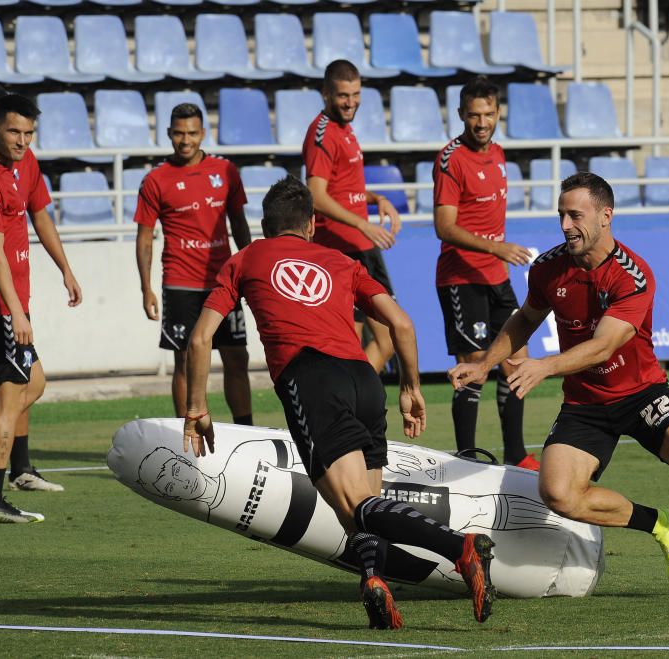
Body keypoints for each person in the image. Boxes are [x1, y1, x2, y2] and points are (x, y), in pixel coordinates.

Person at [449, 172, 669, 600]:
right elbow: (526, 318)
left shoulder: (632, 276)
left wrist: (545, 366)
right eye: (560, 214)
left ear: (605, 215)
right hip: (585, 403)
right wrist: (486, 362)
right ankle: (660, 523)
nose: (564, 225)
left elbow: (604, 346)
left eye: (575, 215)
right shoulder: (547, 268)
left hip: (643, 395)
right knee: (558, 494)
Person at [183, 175, 495, 629]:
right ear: (311, 224)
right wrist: (410, 387)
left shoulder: (246, 259)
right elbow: (403, 326)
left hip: (311, 378)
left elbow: (199, 339)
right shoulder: (341, 261)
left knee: (354, 506)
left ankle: (460, 549)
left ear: (266, 226)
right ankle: (374, 583)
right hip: (362, 379)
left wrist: (197, 406)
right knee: (364, 509)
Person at [0, 94, 82, 524]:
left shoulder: (21, 165)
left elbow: (40, 216)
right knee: (11, 396)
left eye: (29, 133)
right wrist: (15, 311)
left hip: (7, 302)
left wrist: (65, 268)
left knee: (32, 385)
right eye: (14, 131)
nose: (22, 140)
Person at [432, 76, 537, 469]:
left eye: (489, 114)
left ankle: (515, 453)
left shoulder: (499, 154)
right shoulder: (450, 159)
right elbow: (444, 226)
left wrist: (498, 254)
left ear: (498, 113)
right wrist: (497, 247)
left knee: (517, 361)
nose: (481, 122)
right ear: (461, 115)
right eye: (474, 115)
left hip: (497, 277)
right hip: (462, 279)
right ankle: (466, 459)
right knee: (474, 364)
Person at [134, 103, 253, 424]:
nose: (185, 140)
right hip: (180, 284)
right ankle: (185, 437)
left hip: (224, 282)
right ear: (169, 134)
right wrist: (146, 289)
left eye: (191, 133)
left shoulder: (225, 171)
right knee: (185, 362)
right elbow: (144, 238)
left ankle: (246, 430)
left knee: (236, 358)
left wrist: (252, 268)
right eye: (178, 133)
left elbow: (239, 223)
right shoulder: (155, 180)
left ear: (203, 134)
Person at [303, 59, 401, 374]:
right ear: (325, 94)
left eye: (356, 94)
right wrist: (361, 223)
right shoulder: (322, 134)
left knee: (387, 341)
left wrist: (376, 199)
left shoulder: (344, 128)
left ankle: (356, 402)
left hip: (363, 247)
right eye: (343, 95)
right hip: (340, 250)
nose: (351, 102)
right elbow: (316, 195)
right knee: (351, 341)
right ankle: (348, 410)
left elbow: (343, 187)